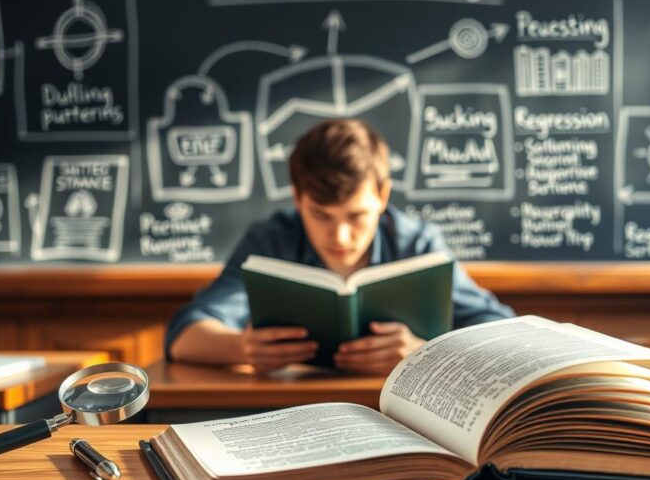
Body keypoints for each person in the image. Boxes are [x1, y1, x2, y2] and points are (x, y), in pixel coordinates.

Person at [166, 118, 514, 374]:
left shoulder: (417, 243)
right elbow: (184, 335)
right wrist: (241, 347)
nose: (341, 237)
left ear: (383, 195)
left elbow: (502, 331)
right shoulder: (270, 240)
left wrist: (422, 354)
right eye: (321, 215)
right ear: (298, 198)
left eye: (357, 215)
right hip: (292, 415)